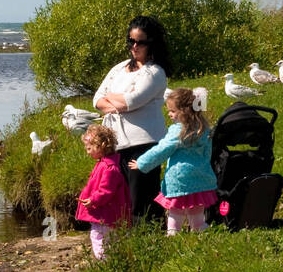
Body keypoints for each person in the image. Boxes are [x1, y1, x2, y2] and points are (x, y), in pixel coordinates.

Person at [93, 15, 169, 223]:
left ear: (151, 43)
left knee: (141, 201)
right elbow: (96, 100)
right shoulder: (118, 69)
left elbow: (131, 101)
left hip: (143, 144)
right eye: (131, 41)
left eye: (140, 42)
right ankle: (126, 244)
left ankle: (150, 242)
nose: (134, 46)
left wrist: (114, 100)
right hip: (116, 144)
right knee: (120, 198)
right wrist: (116, 101)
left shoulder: (155, 72)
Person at [130, 87, 217, 235]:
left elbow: (162, 149)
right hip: (200, 177)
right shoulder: (204, 128)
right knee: (196, 213)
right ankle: (202, 234)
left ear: (184, 111)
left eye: (172, 111)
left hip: (179, 180)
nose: (169, 114)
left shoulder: (178, 130)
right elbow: (208, 152)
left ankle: (173, 235)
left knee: (175, 211)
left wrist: (142, 163)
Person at [75, 124, 132, 258]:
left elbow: (106, 191)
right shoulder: (105, 164)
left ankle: (104, 262)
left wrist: (93, 200)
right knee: (111, 239)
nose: (87, 151)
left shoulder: (109, 168)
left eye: (89, 148)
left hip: (105, 214)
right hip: (108, 213)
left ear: (100, 147)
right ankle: (113, 260)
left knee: (98, 237)